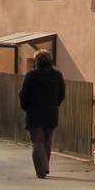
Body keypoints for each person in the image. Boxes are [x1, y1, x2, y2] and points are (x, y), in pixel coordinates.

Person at [18, 50, 66, 179]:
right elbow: (62, 94)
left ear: (36, 61)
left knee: (37, 141)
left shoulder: (31, 76)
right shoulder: (57, 75)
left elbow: (23, 95)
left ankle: (41, 169)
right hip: (51, 112)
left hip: (34, 112)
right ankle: (46, 165)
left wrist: (26, 107)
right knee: (47, 140)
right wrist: (55, 105)